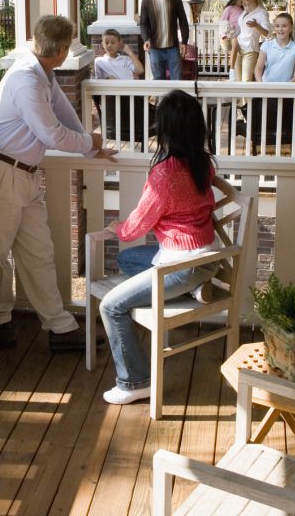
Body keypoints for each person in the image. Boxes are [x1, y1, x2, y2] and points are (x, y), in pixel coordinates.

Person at [0, 14, 117, 352]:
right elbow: (50, 133)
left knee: (39, 251)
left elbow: (63, 113)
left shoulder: (44, 75)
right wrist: (91, 144)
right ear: (64, 49)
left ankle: (59, 327)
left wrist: (88, 145)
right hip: (2, 172)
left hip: (24, 173)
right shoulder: (26, 79)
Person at [98, 89, 219, 404]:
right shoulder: (203, 162)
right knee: (129, 260)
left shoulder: (164, 174)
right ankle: (195, 287)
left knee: (110, 306)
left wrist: (117, 228)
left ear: (166, 129)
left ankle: (135, 381)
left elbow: (138, 224)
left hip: (181, 265)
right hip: (207, 257)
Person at [139, 0, 190, 80]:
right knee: (158, 79)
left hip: (173, 47)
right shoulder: (146, 1)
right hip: (154, 48)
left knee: (177, 79)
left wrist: (184, 41)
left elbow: (183, 20)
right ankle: (160, 98)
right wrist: (146, 39)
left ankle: (176, 98)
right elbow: (143, 24)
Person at [255, 13, 295, 83]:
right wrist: (261, 84)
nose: (280, 29)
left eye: (284, 26)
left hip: (286, 90)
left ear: (291, 28)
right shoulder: (266, 45)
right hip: (267, 88)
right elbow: (258, 68)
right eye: (277, 26)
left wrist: (285, 87)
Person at [235, 0, 271, 82]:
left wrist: (256, 26)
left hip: (250, 51)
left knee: (246, 81)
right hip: (238, 49)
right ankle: (240, 98)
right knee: (238, 82)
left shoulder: (261, 13)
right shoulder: (244, 12)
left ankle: (247, 98)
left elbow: (268, 34)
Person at [218, 0, 244, 79]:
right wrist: (223, 35)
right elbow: (222, 22)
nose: (244, 0)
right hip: (230, 34)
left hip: (239, 35)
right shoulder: (229, 8)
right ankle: (232, 69)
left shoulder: (243, 10)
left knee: (237, 50)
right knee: (235, 43)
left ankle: (234, 72)